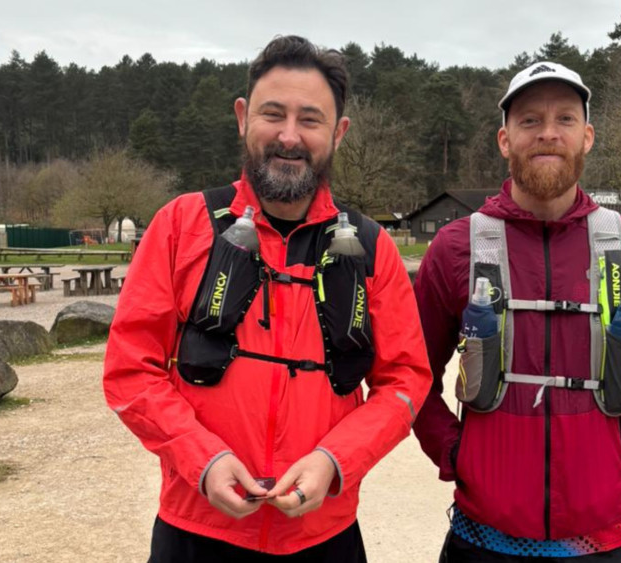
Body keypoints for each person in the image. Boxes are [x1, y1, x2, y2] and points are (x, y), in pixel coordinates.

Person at [103, 35, 431, 562]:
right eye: (272, 114)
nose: (289, 136)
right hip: (195, 531)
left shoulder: (373, 248)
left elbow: (405, 380)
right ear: (242, 116)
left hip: (325, 537)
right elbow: (129, 371)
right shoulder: (179, 226)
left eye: (310, 119)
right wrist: (200, 458)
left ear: (339, 132)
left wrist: (336, 459)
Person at [412, 61, 621, 562]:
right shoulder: (456, 247)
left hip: (604, 543)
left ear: (587, 136)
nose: (548, 134)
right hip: (482, 541)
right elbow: (410, 373)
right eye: (529, 120)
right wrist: (454, 452)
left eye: (565, 119)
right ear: (504, 139)